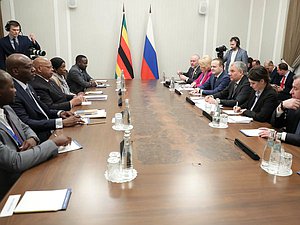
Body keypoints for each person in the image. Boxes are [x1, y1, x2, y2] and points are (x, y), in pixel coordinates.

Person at [0, 69, 71, 200]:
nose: (15, 91)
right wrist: (53, 143)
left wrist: (32, 137)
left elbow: (24, 126)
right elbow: (15, 162)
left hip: (29, 164)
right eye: (11, 87)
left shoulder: (6, 108)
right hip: (10, 187)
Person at [6, 54, 83, 142]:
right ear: (16, 71)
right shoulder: (12, 92)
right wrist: (60, 123)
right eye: (29, 67)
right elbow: (26, 122)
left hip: (49, 128)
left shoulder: (28, 86)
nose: (33, 69)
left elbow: (44, 108)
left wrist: (60, 113)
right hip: (39, 137)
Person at [259, 74, 300, 146]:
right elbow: (276, 124)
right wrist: (281, 107)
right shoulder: (294, 103)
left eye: (295, 89)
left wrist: (277, 135)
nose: (291, 92)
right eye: (292, 88)